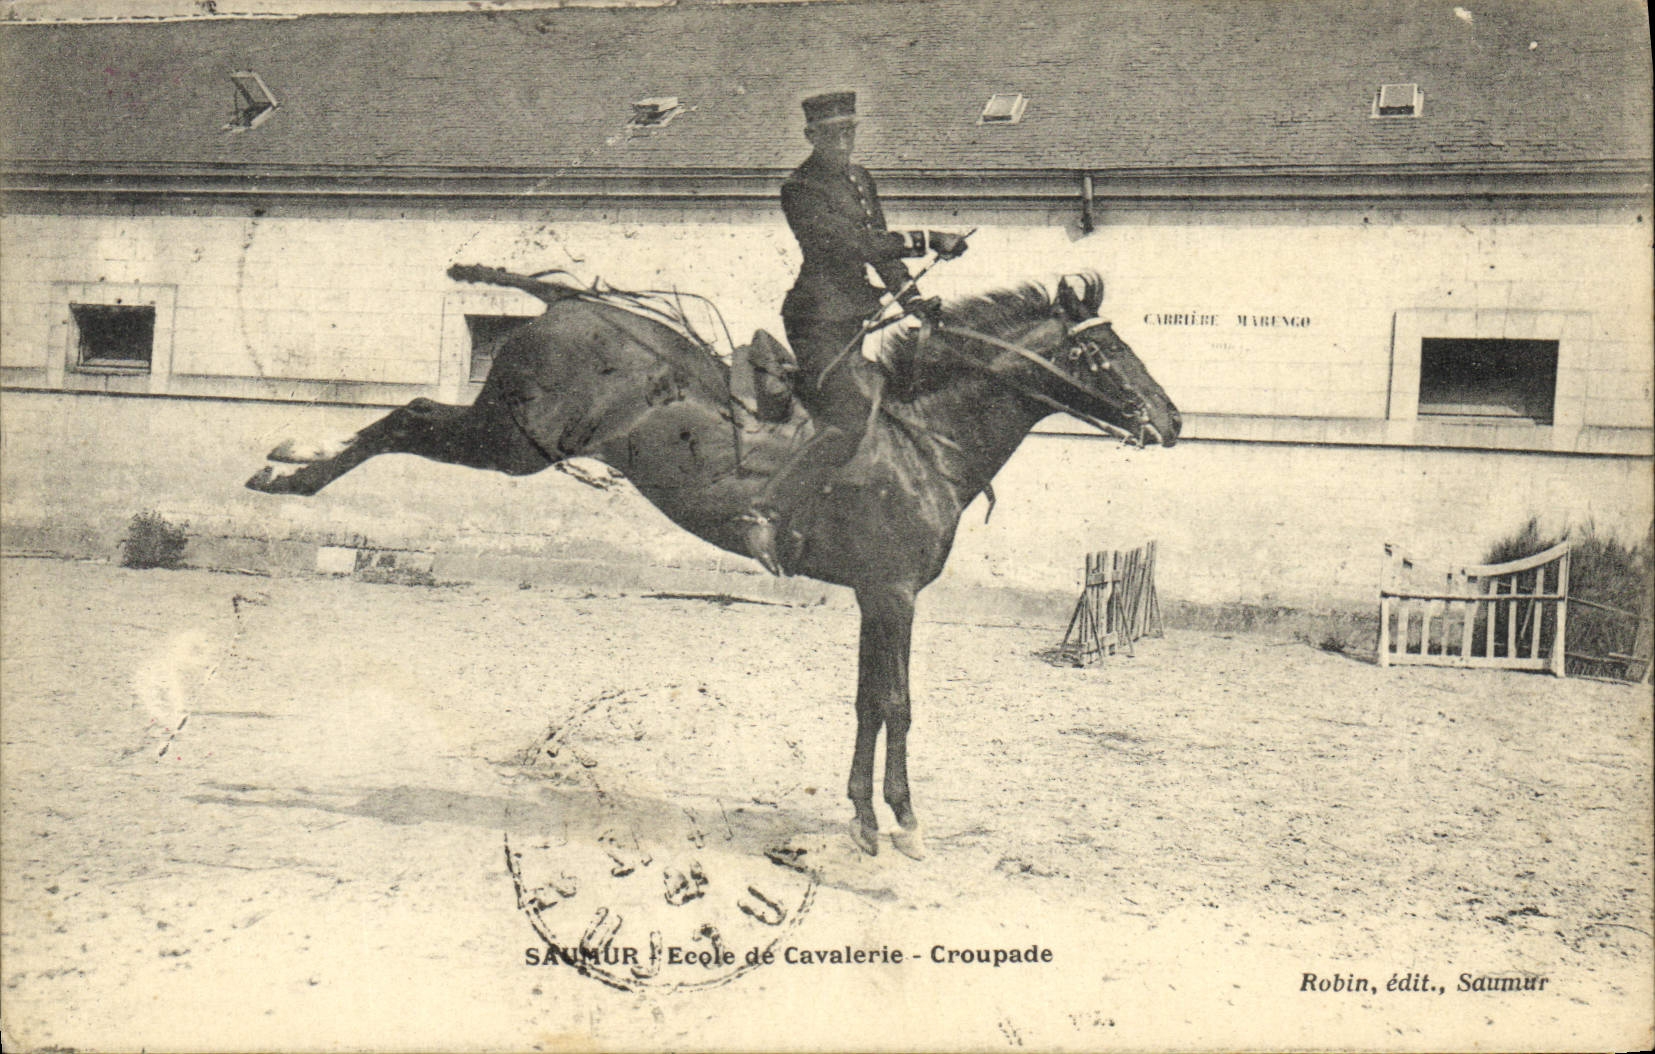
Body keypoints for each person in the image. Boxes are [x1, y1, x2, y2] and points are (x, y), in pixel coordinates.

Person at [739, 90, 969, 574]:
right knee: (846, 417)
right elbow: (849, 245)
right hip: (816, 318)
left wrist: (914, 303)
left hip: (851, 317)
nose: (845, 141)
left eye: (851, 131)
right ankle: (767, 510)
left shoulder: (860, 180)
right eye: (834, 133)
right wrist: (927, 240)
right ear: (812, 137)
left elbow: (880, 252)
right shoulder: (799, 188)